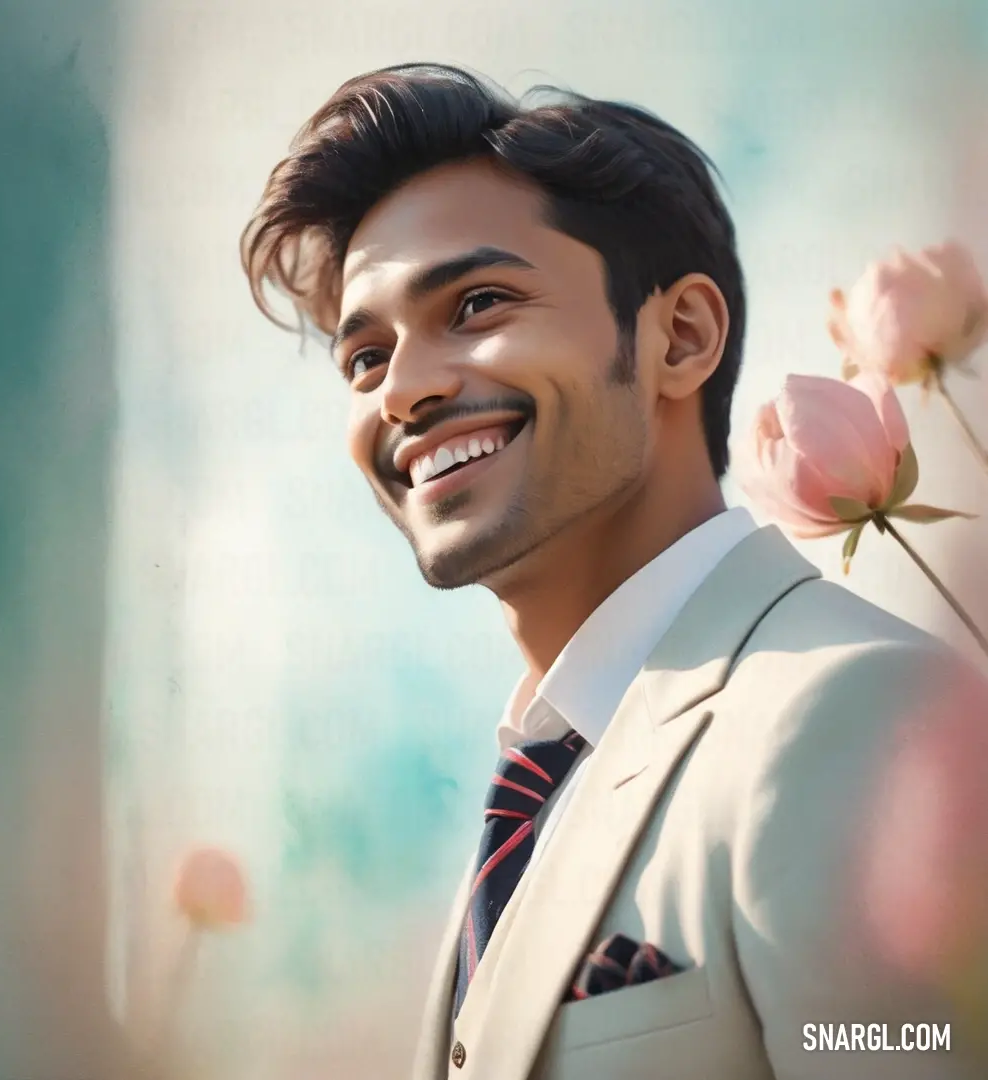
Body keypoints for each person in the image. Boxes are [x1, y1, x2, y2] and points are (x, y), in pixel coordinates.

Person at [238, 63, 988, 1079]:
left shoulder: (857, 709)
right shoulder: (538, 781)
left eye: (479, 302)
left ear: (680, 336)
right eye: (365, 359)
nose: (404, 391)